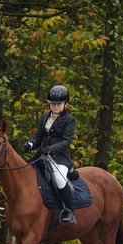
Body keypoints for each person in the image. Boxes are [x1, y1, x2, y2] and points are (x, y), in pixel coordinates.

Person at [22, 85, 77, 225]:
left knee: (59, 179)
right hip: (42, 156)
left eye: (58, 103)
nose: (56, 106)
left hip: (60, 157)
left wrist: (51, 149)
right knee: (25, 175)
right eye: (53, 103)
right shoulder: (45, 117)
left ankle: (69, 211)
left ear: (65, 103)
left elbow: (66, 142)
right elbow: (38, 136)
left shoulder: (69, 120)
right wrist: (30, 144)